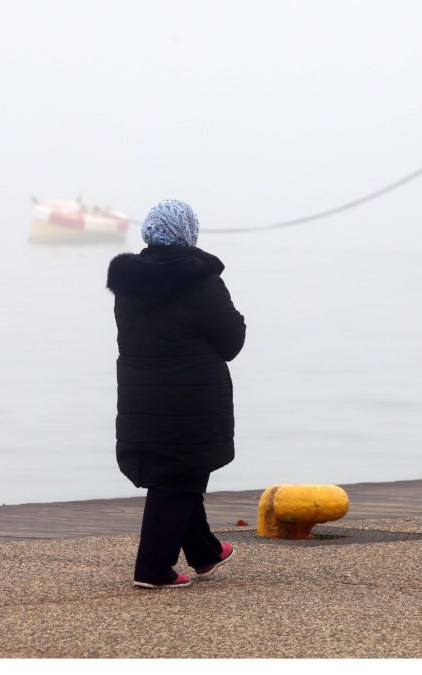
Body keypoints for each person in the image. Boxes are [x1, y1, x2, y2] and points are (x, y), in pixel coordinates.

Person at [106, 199, 246, 589]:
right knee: (179, 473)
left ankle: (204, 552)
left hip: (140, 390)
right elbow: (232, 340)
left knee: (178, 469)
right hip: (191, 393)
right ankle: (152, 568)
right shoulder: (200, 279)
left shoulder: (129, 285)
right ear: (188, 234)